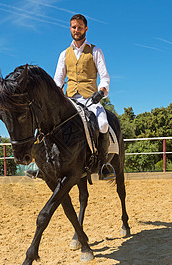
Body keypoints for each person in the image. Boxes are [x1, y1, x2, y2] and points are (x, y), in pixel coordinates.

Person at [26, 14, 114, 180]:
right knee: (44, 120)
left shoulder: (95, 51)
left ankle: (103, 165)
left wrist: (101, 92)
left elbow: (105, 77)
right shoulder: (63, 54)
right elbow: (57, 81)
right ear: (70, 29)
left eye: (80, 27)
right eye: (74, 27)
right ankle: (38, 164)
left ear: (86, 29)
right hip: (70, 100)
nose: (77, 30)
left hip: (90, 100)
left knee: (102, 124)